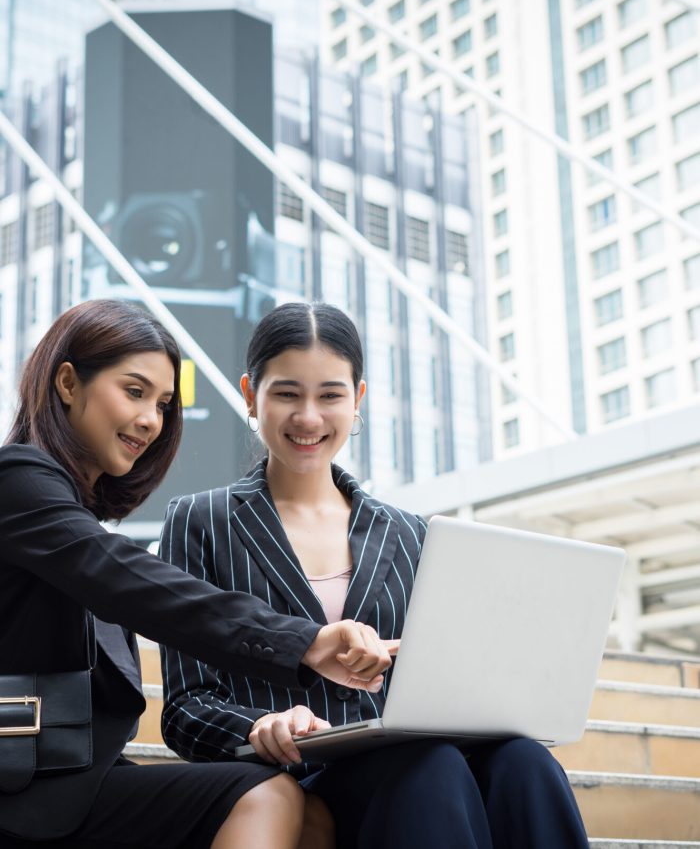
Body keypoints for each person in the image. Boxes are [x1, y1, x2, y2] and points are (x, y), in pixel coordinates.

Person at [160, 301, 589, 849]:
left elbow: (447, 686)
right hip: (298, 773)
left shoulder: (412, 534)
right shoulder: (202, 522)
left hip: (419, 760)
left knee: (526, 762)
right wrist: (254, 727)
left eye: (331, 395)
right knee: (428, 768)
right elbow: (184, 709)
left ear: (357, 399)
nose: (309, 417)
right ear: (250, 394)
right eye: (287, 393)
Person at [0, 298, 395, 849]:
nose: (150, 420)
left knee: (311, 819)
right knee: (268, 795)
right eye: (134, 392)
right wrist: (305, 641)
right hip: (23, 790)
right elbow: (129, 583)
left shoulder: (74, 519)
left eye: (163, 403)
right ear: (68, 383)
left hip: (70, 784)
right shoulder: (17, 480)